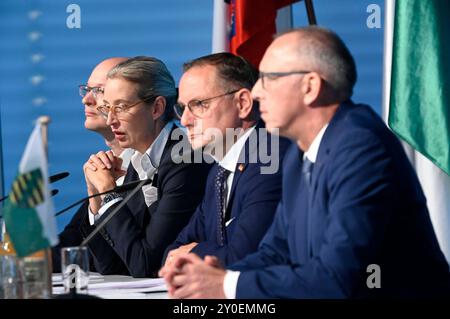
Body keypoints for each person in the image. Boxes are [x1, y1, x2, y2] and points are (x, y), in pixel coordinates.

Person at [160, 26, 450, 298]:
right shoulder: (300, 154)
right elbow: (275, 252)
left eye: (269, 78)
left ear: (310, 86)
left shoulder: (360, 146)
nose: (257, 92)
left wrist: (226, 284)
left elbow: (338, 278)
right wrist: (211, 276)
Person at [81, 56, 212, 277]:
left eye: (121, 107)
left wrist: (109, 193)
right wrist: (96, 195)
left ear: (157, 108)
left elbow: (146, 265)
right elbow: (110, 267)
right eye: (107, 109)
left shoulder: (185, 160)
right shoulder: (137, 161)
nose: (111, 120)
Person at [162, 53, 290, 268]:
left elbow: (244, 259)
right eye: (183, 108)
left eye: (199, 104)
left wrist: (192, 252)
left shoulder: (270, 159)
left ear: (243, 103)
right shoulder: (218, 171)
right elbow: (172, 251)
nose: (185, 120)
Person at [52, 57, 131, 272]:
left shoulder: (166, 163)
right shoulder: (103, 165)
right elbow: (71, 247)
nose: (86, 100)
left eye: (98, 90)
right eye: (87, 89)